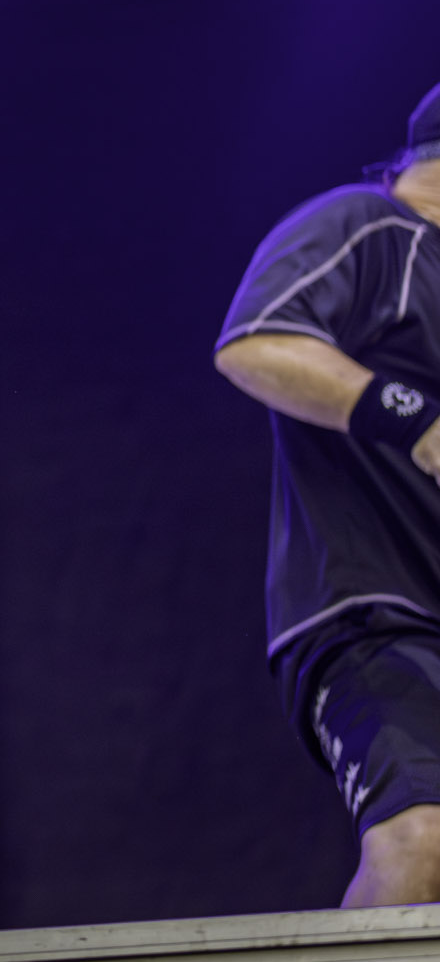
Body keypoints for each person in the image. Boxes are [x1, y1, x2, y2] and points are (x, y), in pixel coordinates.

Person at [215, 80, 440, 908]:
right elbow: (256, 343)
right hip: (374, 617)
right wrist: (418, 419)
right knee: (421, 840)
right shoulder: (370, 225)